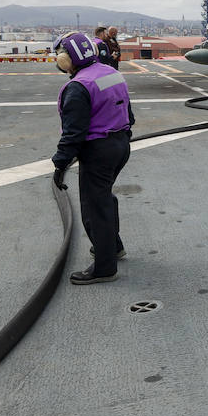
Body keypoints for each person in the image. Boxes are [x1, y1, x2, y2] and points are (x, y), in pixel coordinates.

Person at [51, 31, 134, 285]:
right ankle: (113, 246)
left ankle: (104, 267)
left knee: (94, 208)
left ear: (67, 59)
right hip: (120, 144)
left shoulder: (78, 86)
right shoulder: (112, 72)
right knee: (104, 198)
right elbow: (129, 114)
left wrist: (60, 162)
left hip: (98, 151)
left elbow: (74, 132)